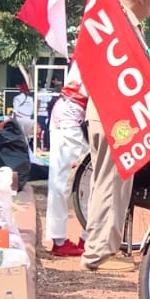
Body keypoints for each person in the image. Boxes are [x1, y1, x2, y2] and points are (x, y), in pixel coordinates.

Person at [82, 0, 150, 273]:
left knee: (111, 184)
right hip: (114, 116)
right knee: (110, 185)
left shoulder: (119, 22)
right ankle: (98, 253)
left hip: (114, 115)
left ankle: (102, 248)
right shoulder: (120, 25)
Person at [45, 70, 88, 257]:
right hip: (73, 112)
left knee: (62, 179)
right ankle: (83, 238)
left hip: (69, 109)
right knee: (86, 178)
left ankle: (61, 239)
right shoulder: (102, 46)